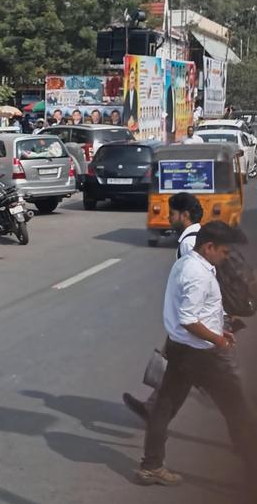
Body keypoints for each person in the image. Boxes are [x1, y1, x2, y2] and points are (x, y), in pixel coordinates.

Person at [135, 222, 257, 486]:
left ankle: (151, 466)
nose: (226, 258)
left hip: (181, 349)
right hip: (201, 353)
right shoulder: (197, 273)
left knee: (164, 407)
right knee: (238, 411)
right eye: (224, 252)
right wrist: (216, 339)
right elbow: (189, 319)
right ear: (209, 246)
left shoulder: (189, 262)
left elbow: (196, 313)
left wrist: (218, 329)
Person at [123, 193, 203, 420]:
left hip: (194, 322)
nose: (168, 217)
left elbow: (198, 282)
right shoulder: (196, 237)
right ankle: (153, 408)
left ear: (185, 215)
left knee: (217, 385)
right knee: (176, 370)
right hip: (193, 322)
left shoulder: (189, 242)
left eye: (172, 213)